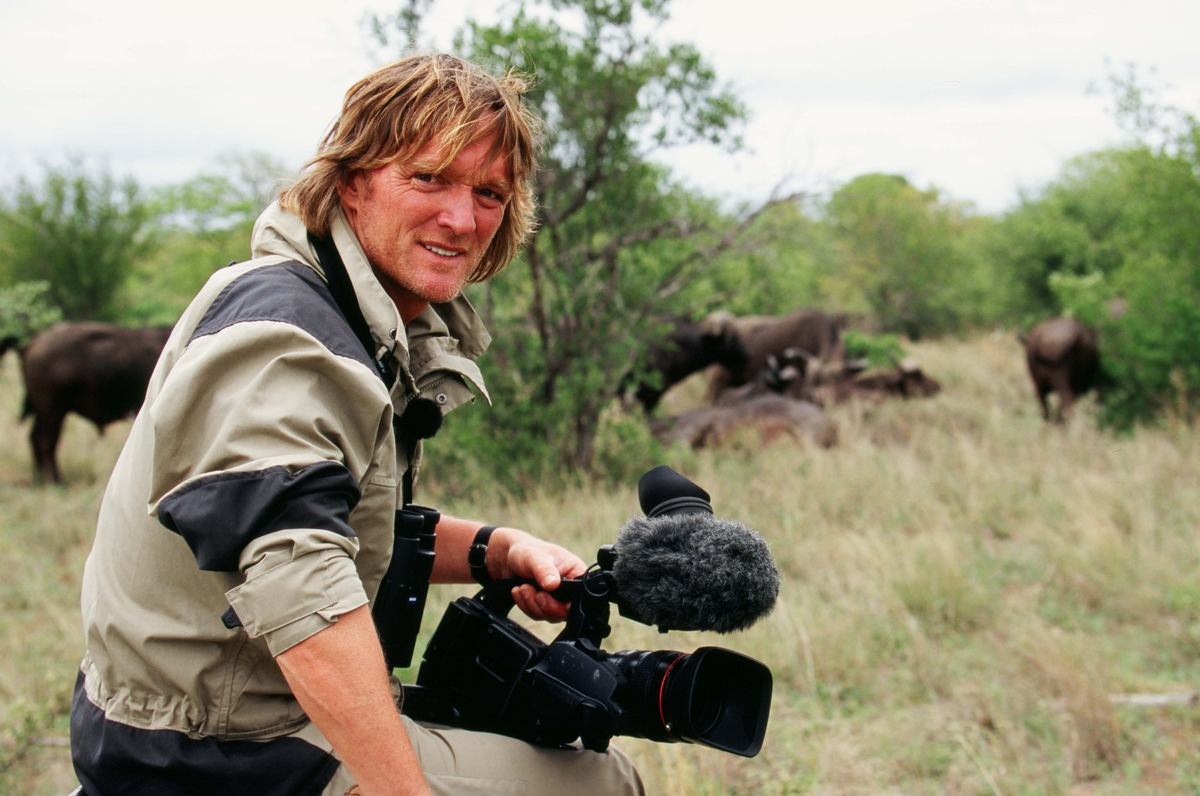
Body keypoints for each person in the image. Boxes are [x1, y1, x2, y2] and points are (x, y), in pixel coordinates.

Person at [70, 53, 645, 796]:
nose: (461, 217)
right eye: (428, 177)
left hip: (218, 715)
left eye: (489, 192)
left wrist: (499, 552)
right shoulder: (286, 338)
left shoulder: (346, 318)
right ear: (351, 180)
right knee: (602, 784)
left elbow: (330, 521)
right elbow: (299, 589)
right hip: (221, 743)